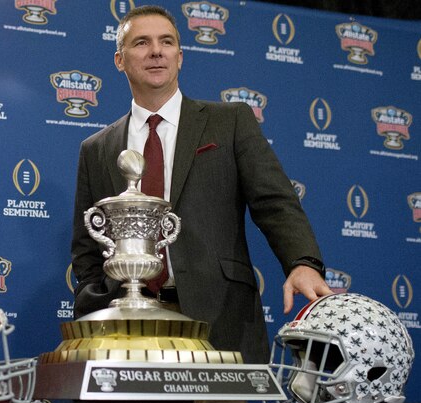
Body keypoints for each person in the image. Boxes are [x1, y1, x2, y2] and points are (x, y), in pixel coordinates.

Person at [71, 5, 332, 365]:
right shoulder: (96, 148)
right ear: (120, 60)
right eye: (141, 43)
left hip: (219, 319)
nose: (156, 51)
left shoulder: (231, 122)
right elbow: (87, 245)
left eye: (166, 41)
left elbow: (275, 202)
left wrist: (302, 262)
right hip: (126, 327)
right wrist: (96, 297)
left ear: (181, 56)